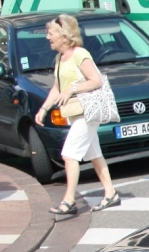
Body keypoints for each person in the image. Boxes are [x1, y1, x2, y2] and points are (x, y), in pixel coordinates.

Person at [36, 15, 119, 216]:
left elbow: (96, 80)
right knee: (94, 154)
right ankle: (111, 193)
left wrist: (72, 90)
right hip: (75, 113)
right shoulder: (60, 58)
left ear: (65, 35)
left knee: (69, 154)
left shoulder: (79, 54)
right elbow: (57, 87)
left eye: (51, 33)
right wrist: (44, 109)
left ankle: (69, 199)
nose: (48, 37)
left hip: (87, 113)